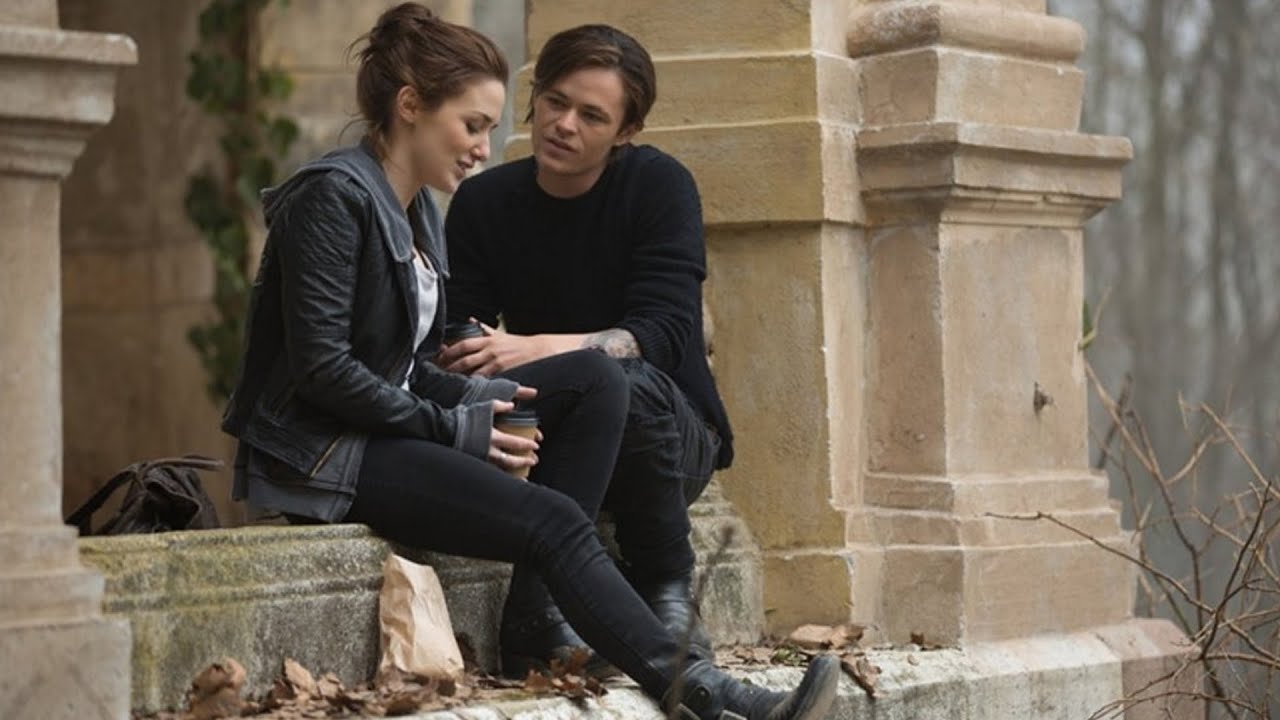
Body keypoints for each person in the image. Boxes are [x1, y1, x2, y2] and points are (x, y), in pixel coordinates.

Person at [218, 5, 838, 719]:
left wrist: (481, 400)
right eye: (473, 125)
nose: (486, 147)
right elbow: (324, 370)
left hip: (389, 429)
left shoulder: (417, 210)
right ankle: (705, 693)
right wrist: (458, 425)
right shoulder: (332, 196)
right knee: (552, 521)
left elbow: (413, 365)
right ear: (411, 105)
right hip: (328, 453)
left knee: (595, 378)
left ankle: (563, 624)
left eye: (490, 127)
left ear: (625, 131)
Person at [439, 24, 729, 666]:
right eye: (554, 102)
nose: (563, 125)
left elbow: (661, 335)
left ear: (626, 131)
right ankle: (538, 615)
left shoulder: (658, 186)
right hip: (552, 430)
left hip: (670, 440)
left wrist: (534, 348)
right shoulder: (485, 201)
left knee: (626, 381)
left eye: (591, 116)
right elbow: (460, 336)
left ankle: (665, 584)